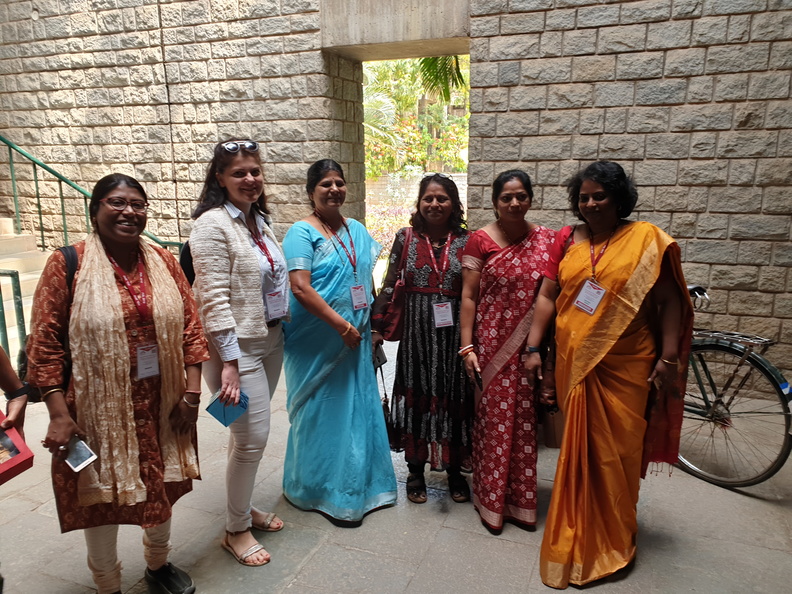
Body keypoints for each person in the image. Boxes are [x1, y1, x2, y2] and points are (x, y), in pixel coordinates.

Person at [25, 173, 209, 594]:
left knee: (161, 482)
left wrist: (192, 392)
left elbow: (191, 328)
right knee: (101, 496)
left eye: (138, 204)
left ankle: (158, 564)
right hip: (96, 409)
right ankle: (107, 584)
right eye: (117, 202)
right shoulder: (67, 263)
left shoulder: (162, 260)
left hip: (161, 400)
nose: (129, 212)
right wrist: (58, 414)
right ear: (95, 211)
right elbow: (44, 344)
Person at [524, 161, 693, 589]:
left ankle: (614, 536)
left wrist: (669, 357)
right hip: (576, 364)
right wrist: (534, 349)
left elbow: (670, 300)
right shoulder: (568, 240)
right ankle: (577, 528)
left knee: (616, 453)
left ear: (619, 199)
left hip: (628, 363)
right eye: (583, 197)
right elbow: (549, 296)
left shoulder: (644, 239)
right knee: (580, 450)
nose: (591, 203)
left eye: (600, 196)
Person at [189, 139, 288, 567]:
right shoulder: (212, 225)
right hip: (236, 349)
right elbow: (212, 298)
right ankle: (235, 530)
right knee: (252, 441)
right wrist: (228, 362)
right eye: (239, 173)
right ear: (220, 179)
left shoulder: (258, 220)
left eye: (255, 171)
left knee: (243, 436)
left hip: (269, 340)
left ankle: (242, 508)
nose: (250, 179)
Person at [282, 159, 397, 523]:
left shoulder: (356, 230)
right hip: (316, 341)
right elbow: (300, 287)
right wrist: (341, 326)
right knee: (319, 413)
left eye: (339, 183)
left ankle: (357, 487)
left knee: (356, 410)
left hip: (355, 339)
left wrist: (371, 325)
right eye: (325, 184)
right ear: (311, 192)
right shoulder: (301, 232)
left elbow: (366, 280)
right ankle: (313, 488)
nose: (334, 189)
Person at [459, 169, 555, 533]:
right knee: (493, 424)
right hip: (490, 346)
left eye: (521, 196)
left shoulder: (547, 240)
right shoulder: (480, 240)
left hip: (530, 347)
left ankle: (520, 503)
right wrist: (467, 346)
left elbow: (550, 295)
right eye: (506, 197)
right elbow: (469, 296)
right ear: (495, 201)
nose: (514, 203)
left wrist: (539, 347)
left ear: (530, 198)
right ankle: (490, 502)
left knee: (523, 423)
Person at [371, 173, 473, 504]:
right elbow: (389, 283)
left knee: (452, 396)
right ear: (419, 203)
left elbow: (475, 292)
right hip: (417, 338)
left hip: (454, 336)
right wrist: (376, 326)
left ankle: (454, 470)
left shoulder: (468, 241)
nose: (434, 204)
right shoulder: (406, 237)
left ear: (454, 204)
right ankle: (415, 469)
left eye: (442, 198)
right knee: (418, 395)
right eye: (428, 198)